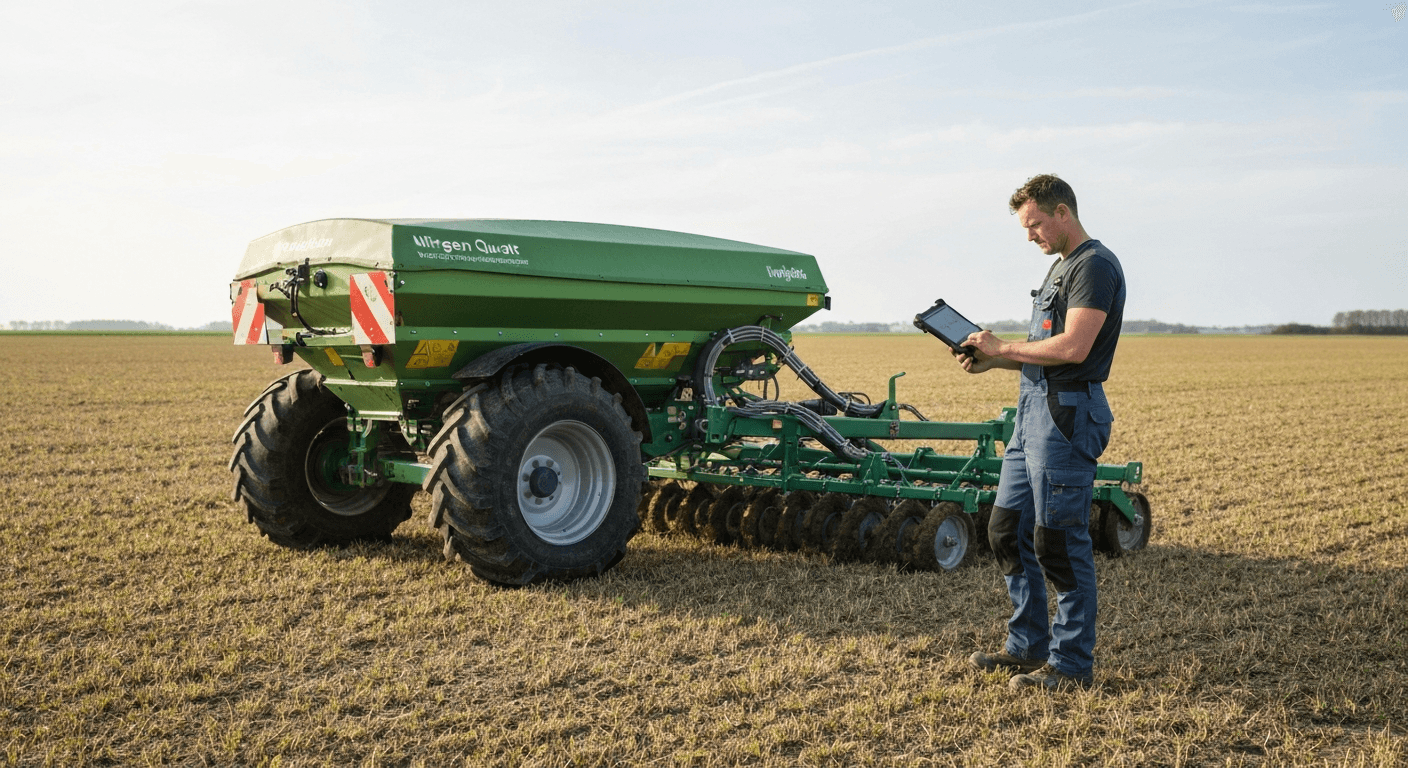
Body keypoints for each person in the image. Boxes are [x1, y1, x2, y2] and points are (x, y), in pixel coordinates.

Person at [955, 174, 1125, 691]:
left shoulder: (1093, 265)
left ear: (1062, 212)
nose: (1029, 235)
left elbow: (1073, 349)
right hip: (1032, 413)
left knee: (1058, 542)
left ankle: (1071, 665)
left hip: (1067, 414)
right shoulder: (1060, 268)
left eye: (1033, 225)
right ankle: (1027, 646)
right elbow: (1043, 353)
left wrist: (1003, 347)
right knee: (1005, 529)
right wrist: (994, 363)